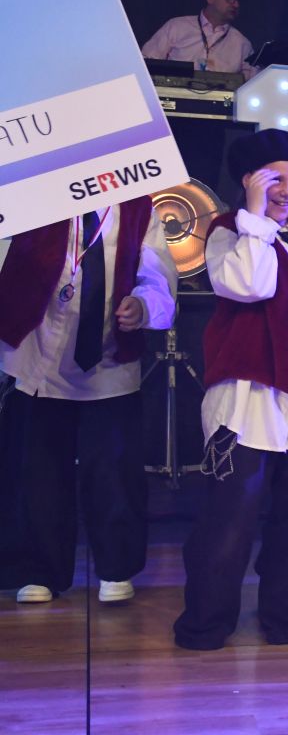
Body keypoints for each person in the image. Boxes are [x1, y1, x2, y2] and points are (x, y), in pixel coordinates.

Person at [173, 129, 288, 650]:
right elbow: (248, 285)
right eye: (274, 179)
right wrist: (255, 217)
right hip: (248, 395)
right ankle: (207, 621)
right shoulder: (228, 232)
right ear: (248, 181)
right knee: (231, 515)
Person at [0, 196, 176, 604]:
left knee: (114, 470)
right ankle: (40, 569)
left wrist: (144, 305)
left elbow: (157, 273)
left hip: (109, 358)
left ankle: (116, 567)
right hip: (39, 351)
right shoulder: (42, 194)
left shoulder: (137, 206)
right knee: (39, 469)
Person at [141, 0, 256, 78]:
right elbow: (146, 62)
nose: (236, 5)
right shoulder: (177, 27)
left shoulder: (242, 44)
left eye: (238, 0)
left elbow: (253, 83)